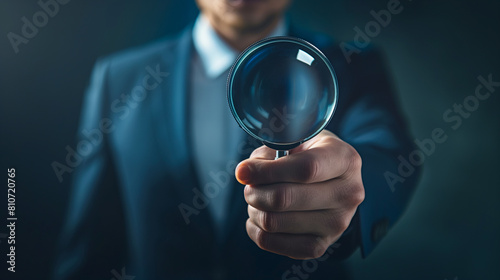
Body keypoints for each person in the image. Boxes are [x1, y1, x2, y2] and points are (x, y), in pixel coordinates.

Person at [53, 0, 419, 279]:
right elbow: (91, 247)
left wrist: (348, 188)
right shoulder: (119, 78)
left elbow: (389, 157)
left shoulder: (353, 64)